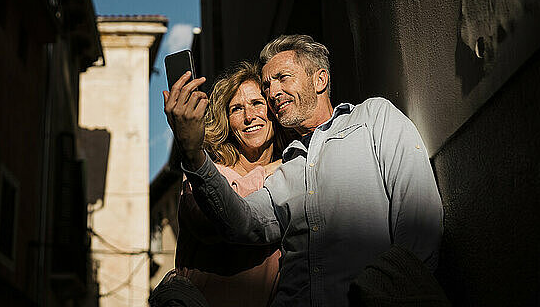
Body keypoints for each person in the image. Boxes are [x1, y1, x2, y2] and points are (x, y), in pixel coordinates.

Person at [163, 35, 444, 307]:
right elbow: (241, 223)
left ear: (320, 79)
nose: (272, 92)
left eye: (282, 78)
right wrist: (193, 153)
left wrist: (388, 291)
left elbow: (420, 219)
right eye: (267, 85)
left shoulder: (373, 119)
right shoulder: (287, 168)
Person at [174, 61, 294, 307]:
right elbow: (213, 222)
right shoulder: (204, 173)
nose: (250, 117)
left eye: (257, 103)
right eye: (237, 109)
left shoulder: (293, 171)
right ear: (226, 120)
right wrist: (268, 170)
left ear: (273, 110)